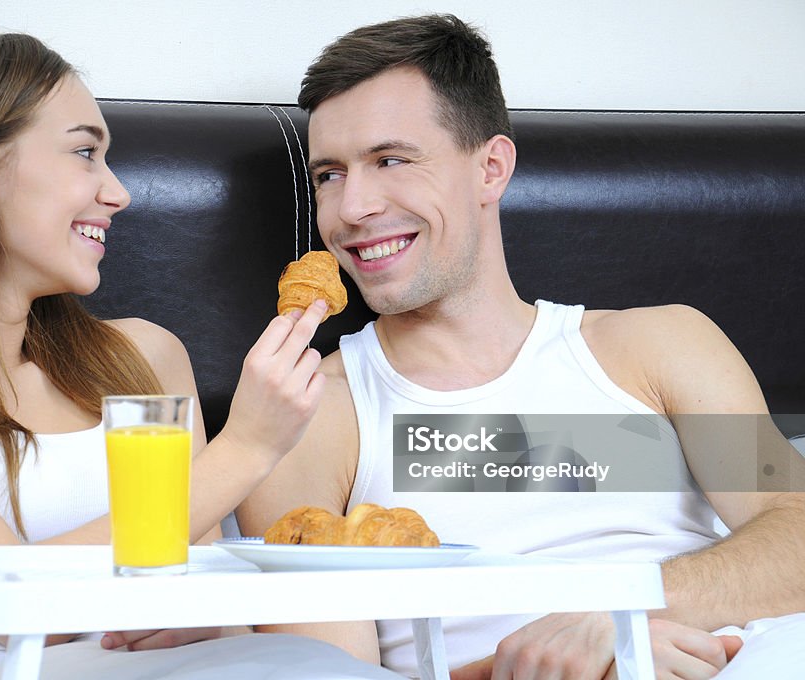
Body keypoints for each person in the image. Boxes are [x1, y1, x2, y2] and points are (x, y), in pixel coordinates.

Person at [0, 31, 403, 680]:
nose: (118, 193)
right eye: (84, 153)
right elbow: (5, 595)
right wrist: (247, 447)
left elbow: (209, 591)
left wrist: (196, 615)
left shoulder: (145, 355)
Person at [237, 13, 805, 680]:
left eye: (391, 159)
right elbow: (330, 673)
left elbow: (793, 528)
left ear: (492, 169)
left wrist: (615, 617)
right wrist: (558, 660)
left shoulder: (659, 349)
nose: (351, 208)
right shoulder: (307, 420)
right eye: (329, 174)